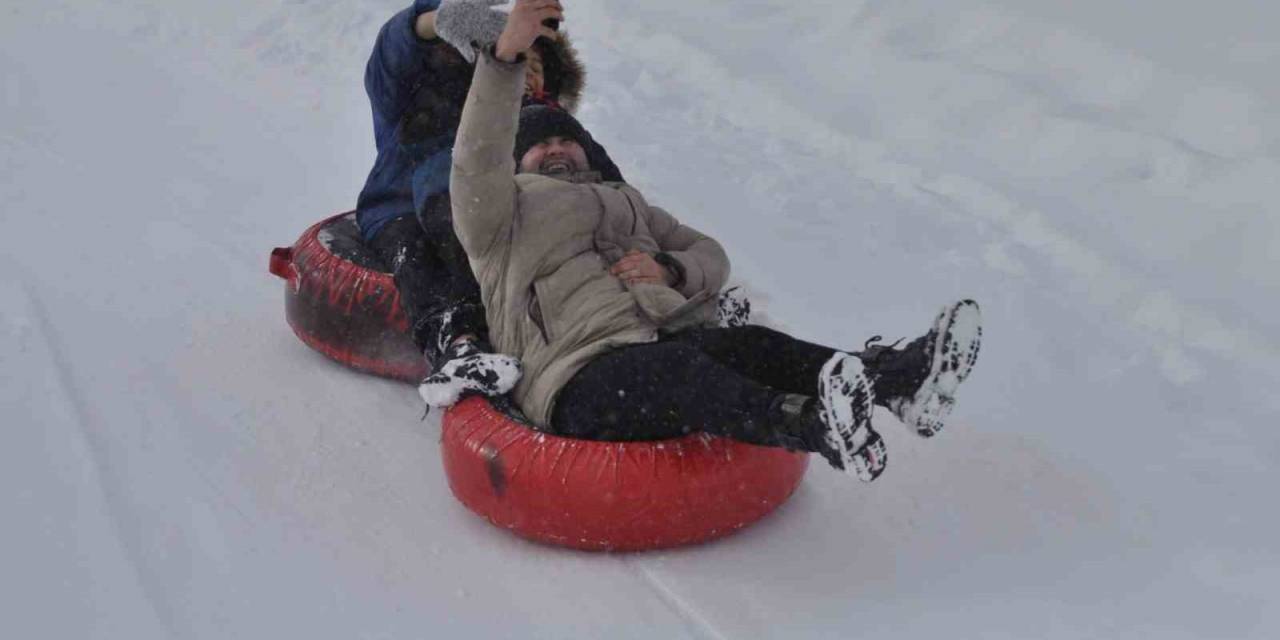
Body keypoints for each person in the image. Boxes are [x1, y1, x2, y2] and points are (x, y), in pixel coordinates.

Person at [446, 0, 984, 480]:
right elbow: (476, 159)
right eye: (541, 146)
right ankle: (810, 425)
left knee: (754, 346)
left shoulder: (627, 201)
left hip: (662, 339)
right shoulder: (499, 217)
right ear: (518, 161)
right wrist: (506, 59)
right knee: (681, 371)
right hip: (576, 374)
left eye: (567, 139)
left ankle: (897, 382)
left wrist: (670, 269)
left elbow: (711, 255)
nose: (557, 149)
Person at [354, 0, 622, 405]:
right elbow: (390, 58)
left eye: (536, 66)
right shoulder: (425, 102)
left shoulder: (546, 127)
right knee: (424, 257)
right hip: (405, 206)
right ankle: (457, 341)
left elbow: (614, 192)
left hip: (505, 219)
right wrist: (433, 22)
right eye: (517, 59)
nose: (526, 72)